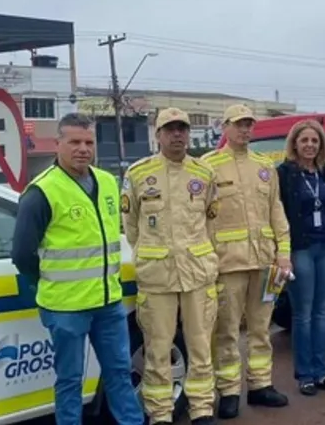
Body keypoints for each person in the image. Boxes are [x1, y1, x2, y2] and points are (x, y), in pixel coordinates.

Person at [11, 113, 143, 425]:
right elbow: (22, 254)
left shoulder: (107, 182)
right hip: (66, 308)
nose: (83, 149)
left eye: (88, 142)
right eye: (74, 142)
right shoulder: (41, 192)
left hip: (108, 304)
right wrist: (47, 283)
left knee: (119, 374)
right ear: (57, 144)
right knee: (70, 381)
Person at [121, 109, 221, 425]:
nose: (177, 134)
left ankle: (201, 408)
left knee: (200, 345)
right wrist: (150, 254)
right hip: (157, 276)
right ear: (158, 134)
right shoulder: (138, 174)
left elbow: (211, 223)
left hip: (197, 273)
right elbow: (131, 226)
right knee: (157, 348)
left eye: (182, 129)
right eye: (170, 129)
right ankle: (160, 412)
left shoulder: (204, 173)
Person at [203, 105, 291, 419]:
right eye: (239, 124)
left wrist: (284, 252)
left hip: (263, 261)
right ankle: (229, 391)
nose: (245, 130)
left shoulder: (265, 165)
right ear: (225, 127)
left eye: (249, 125)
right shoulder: (208, 166)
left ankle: (260, 385)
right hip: (227, 263)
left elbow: (276, 210)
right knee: (226, 331)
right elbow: (200, 217)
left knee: (261, 328)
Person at [277, 120, 325, 394]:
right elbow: (279, 213)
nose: (310, 145)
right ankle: (305, 375)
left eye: (314, 141)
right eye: (304, 140)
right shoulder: (284, 173)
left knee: (323, 312)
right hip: (301, 249)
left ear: (321, 145)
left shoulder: (324, 172)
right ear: (294, 144)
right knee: (303, 314)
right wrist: (281, 252)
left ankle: (322, 372)